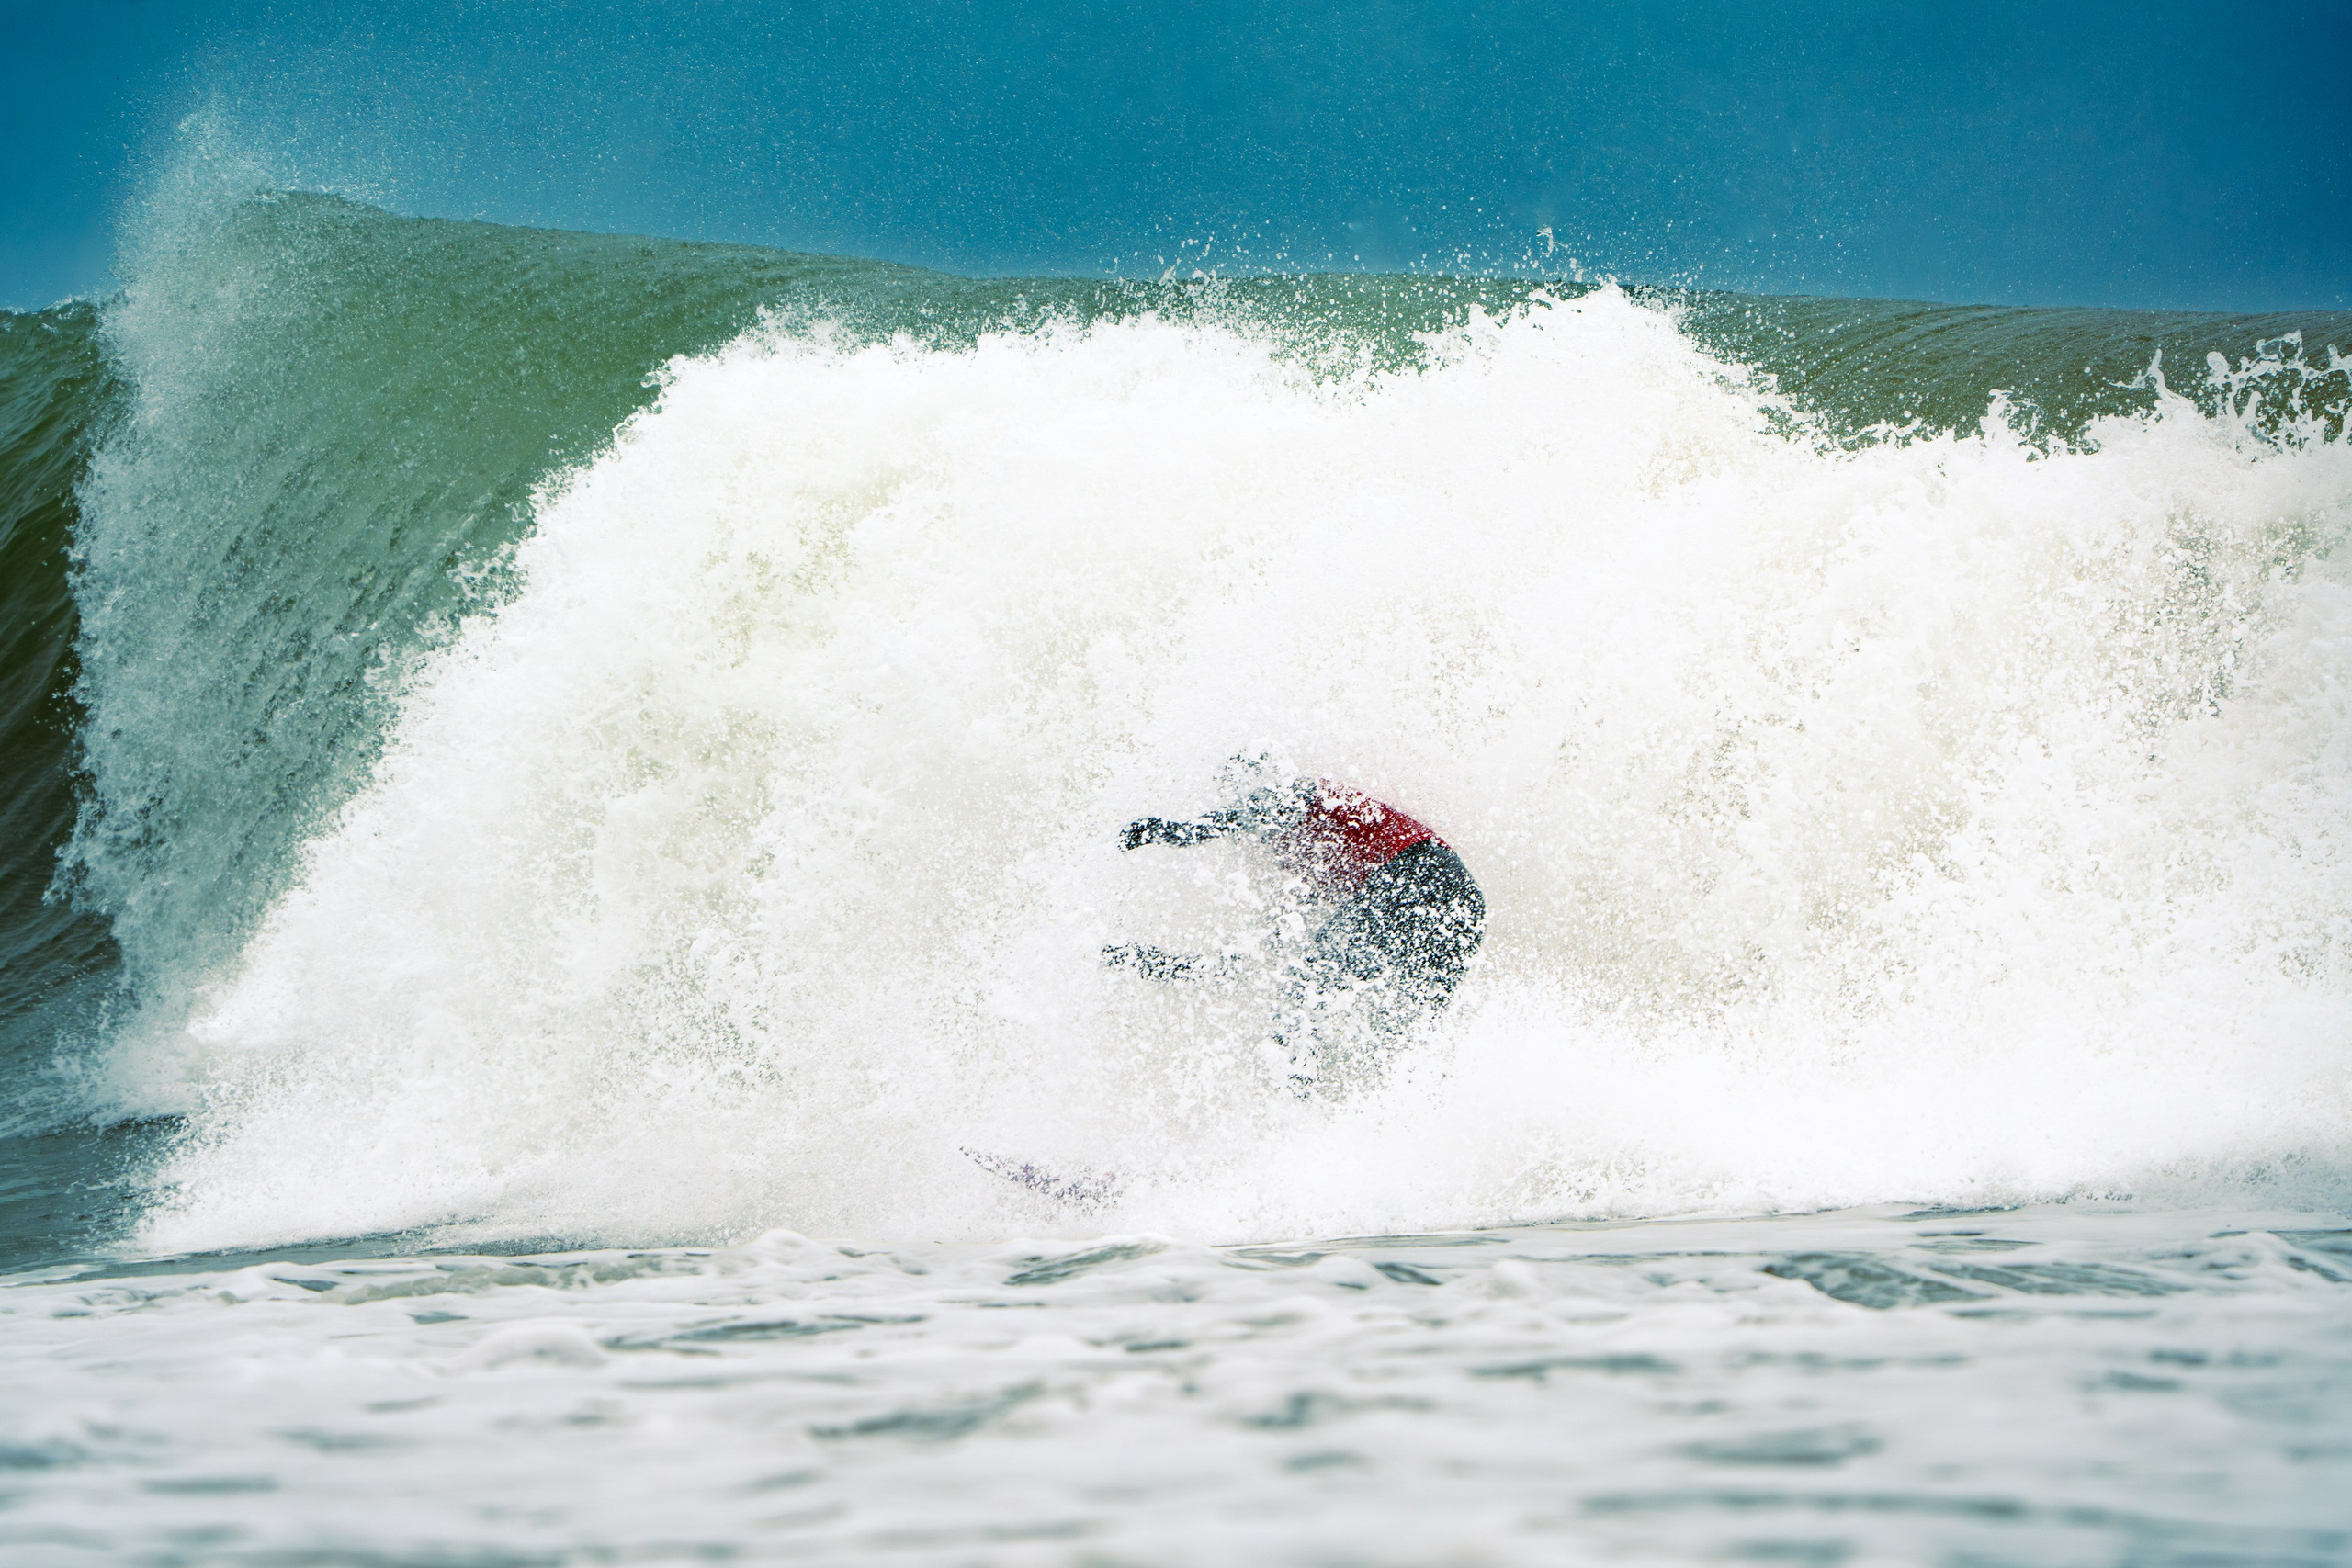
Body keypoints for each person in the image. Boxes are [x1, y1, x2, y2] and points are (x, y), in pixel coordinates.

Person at [1105, 757, 1485, 1091]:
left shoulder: (1300, 795)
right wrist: (1169, 967)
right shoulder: (1304, 857)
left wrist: (1174, 831)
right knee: (1402, 1030)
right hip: (1463, 903)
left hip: (1418, 873)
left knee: (1303, 997)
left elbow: (1247, 811)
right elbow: (1265, 953)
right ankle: (1407, 1118)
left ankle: (1300, 1116)